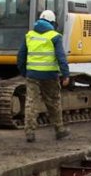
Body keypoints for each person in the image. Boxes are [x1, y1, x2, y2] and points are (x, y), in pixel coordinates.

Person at [16, 8, 70, 142]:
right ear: (52, 22)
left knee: (31, 103)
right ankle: (59, 130)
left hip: (32, 75)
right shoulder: (55, 36)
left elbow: (20, 57)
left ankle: (29, 133)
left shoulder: (29, 35)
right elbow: (60, 56)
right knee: (53, 102)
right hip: (50, 75)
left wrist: (25, 72)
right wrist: (65, 74)